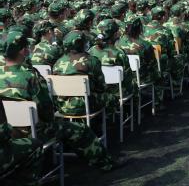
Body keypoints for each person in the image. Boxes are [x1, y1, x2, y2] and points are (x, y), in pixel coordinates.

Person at [0, 29, 122, 172]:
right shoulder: (30, 77)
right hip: (34, 132)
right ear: (22, 51)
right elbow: (47, 112)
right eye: (26, 47)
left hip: (9, 135)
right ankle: (106, 164)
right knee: (81, 129)